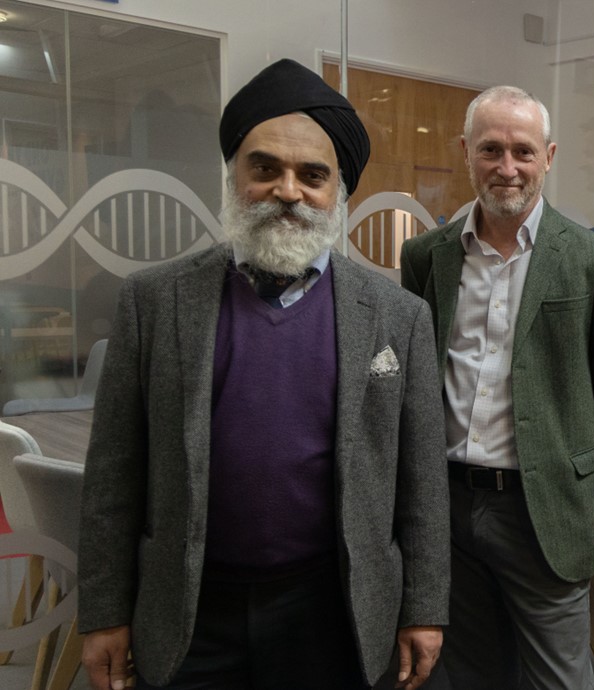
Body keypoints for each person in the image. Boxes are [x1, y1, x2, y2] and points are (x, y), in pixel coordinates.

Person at [77, 58, 447, 690]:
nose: (288, 191)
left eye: (312, 175)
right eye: (265, 168)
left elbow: (420, 481)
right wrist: (104, 612)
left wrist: (424, 607)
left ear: (338, 193)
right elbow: (114, 474)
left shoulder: (398, 316)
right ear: (234, 175)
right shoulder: (155, 301)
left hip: (332, 608)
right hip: (190, 612)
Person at [398, 85, 594, 690]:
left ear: (549, 156)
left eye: (523, 152)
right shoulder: (426, 257)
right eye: (491, 150)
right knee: (469, 672)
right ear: (465, 152)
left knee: (558, 679)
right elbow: (414, 378)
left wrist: (570, 462)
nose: (507, 168)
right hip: (448, 506)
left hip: (544, 511)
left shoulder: (593, 258)